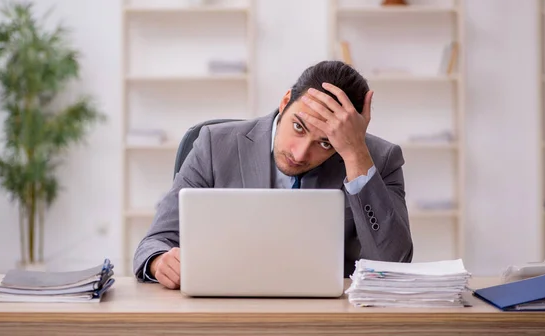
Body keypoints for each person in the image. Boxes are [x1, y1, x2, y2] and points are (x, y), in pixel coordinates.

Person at [133, 60, 413, 289]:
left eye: (326, 143)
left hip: (328, 321)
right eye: (299, 127)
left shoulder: (378, 159)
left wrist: (355, 155)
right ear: (285, 101)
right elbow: (154, 242)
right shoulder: (214, 145)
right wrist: (160, 262)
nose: (301, 153)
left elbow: (394, 264)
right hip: (226, 313)